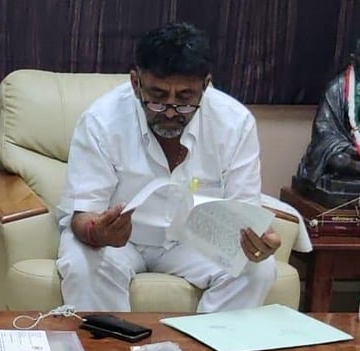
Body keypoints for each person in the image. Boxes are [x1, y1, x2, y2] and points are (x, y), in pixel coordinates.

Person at [55, 22, 281, 313]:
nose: (171, 112)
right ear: (136, 83)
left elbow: (243, 212)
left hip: (193, 242)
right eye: (158, 97)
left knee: (258, 269)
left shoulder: (235, 123)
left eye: (185, 99)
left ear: (206, 85)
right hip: (121, 243)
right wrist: (98, 232)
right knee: (81, 260)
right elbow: (82, 214)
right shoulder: (101, 120)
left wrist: (257, 242)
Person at [293, 38, 360, 207]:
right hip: (347, 151)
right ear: (355, 58)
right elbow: (324, 131)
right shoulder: (336, 88)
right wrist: (350, 148)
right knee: (339, 160)